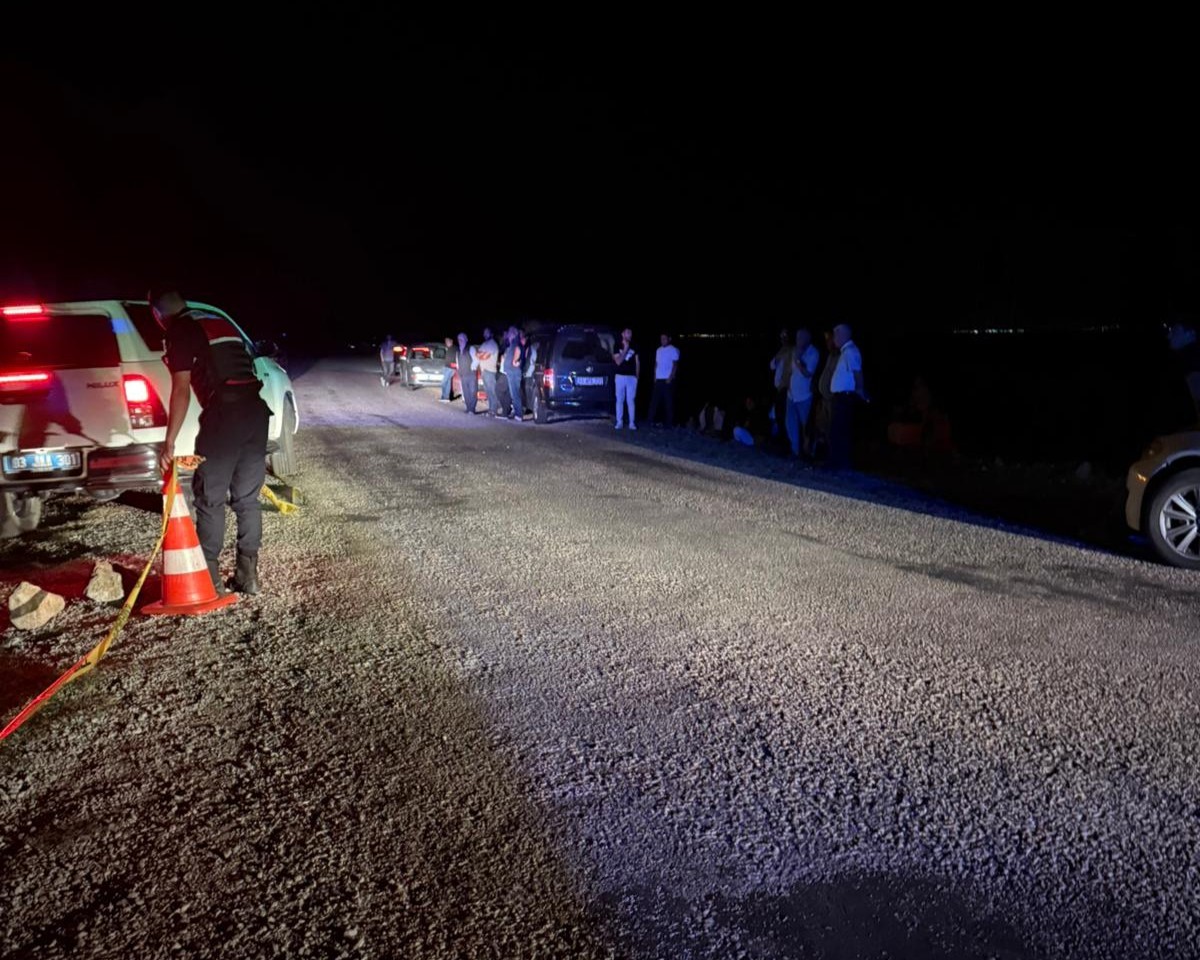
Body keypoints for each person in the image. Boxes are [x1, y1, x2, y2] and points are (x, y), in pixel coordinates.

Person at [152, 286, 271, 595]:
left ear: (158, 314)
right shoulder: (219, 322)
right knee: (247, 500)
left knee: (210, 498)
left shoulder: (179, 330)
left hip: (225, 416)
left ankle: (209, 578)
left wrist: (169, 443)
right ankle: (248, 576)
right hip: (255, 414)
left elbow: (180, 388)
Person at [828, 323, 867, 469]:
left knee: (839, 430)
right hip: (841, 397)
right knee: (837, 430)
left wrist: (859, 390)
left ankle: (839, 464)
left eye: (836, 334)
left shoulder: (850, 352)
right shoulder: (846, 352)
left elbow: (858, 373)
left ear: (844, 335)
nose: (834, 338)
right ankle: (836, 462)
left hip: (845, 397)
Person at [786, 328, 820, 458]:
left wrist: (799, 360)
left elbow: (808, 373)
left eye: (800, 338)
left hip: (804, 396)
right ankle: (794, 451)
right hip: (791, 396)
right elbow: (791, 372)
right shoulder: (795, 351)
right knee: (790, 424)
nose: (797, 340)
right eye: (797, 337)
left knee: (806, 426)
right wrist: (788, 386)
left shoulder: (813, 353)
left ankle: (809, 452)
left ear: (807, 339)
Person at [1167, 315, 1200, 421]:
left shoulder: (1191, 361)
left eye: (1175, 331)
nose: (1169, 336)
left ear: (1191, 333)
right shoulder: (1187, 359)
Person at [647, 332, 680, 427]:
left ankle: (669, 423)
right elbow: (656, 364)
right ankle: (650, 420)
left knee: (668, 402)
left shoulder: (673, 349)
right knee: (654, 401)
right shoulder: (658, 350)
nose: (662, 340)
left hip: (667, 379)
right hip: (658, 379)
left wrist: (670, 377)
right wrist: (654, 376)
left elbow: (675, 365)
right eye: (661, 339)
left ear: (669, 339)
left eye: (664, 338)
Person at [612, 327, 639, 429]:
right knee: (619, 400)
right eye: (628, 332)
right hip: (620, 376)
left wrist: (637, 376)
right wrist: (625, 349)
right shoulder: (617, 345)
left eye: (631, 332)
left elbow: (637, 362)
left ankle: (632, 423)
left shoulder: (635, 345)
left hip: (631, 377)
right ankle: (619, 422)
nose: (630, 334)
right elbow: (618, 361)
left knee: (631, 400)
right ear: (623, 334)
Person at [768, 328, 792, 442]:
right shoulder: (781, 351)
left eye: (785, 336)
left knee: (782, 416)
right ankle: (778, 440)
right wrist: (779, 355)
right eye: (782, 337)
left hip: (786, 388)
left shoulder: (792, 351)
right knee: (776, 415)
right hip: (778, 388)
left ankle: (784, 442)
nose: (783, 339)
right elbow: (772, 365)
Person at [501, 325, 525, 421]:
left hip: (514, 372)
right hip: (512, 372)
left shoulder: (515, 343)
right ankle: (517, 412)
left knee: (515, 394)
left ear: (513, 334)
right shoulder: (513, 343)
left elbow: (518, 350)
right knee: (513, 393)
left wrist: (515, 361)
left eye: (510, 333)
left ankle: (519, 414)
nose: (508, 335)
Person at [477, 326, 499, 417]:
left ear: (491, 334)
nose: (485, 334)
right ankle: (490, 409)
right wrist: (481, 354)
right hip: (484, 371)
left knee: (492, 391)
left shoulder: (492, 344)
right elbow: (477, 353)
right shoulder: (484, 344)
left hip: (490, 371)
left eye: (487, 333)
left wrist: (481, 355)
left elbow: (484, 356)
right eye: (484, 333)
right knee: (488, 392)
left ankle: (494, 410)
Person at [456, 331, 477, 414]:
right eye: (459, 339)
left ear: (466, 339)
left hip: (471, 374)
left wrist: (472, 368)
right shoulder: (458, 351)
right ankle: (468, 408)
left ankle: (472, 409)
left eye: (462, 339)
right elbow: (458, 362)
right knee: (466, 393)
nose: (460, 341)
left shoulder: (471, 348)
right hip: (463, 374)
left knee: (472, 392)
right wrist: (459, 370)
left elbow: (476, 360)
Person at [521, 330, 539, 416]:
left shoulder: (532, 348)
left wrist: (527, 372)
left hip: (529, 373)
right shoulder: (530, 347)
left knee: (528, 390)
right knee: (527, 390)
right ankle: (528, 407)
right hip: (528, 372)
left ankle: (530, 408)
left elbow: (532, 362)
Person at [440, 336, 457, 402]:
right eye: (446, 341)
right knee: (448, 383)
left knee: (444, 382)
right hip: (446, 367)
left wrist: (455, 365)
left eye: (447, 341)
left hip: (451, 368)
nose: (446, 342)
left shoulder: (455, 348)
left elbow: (457, 357)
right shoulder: (448, 348)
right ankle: (446, 398)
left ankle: (444, 396)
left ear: (451, 341)